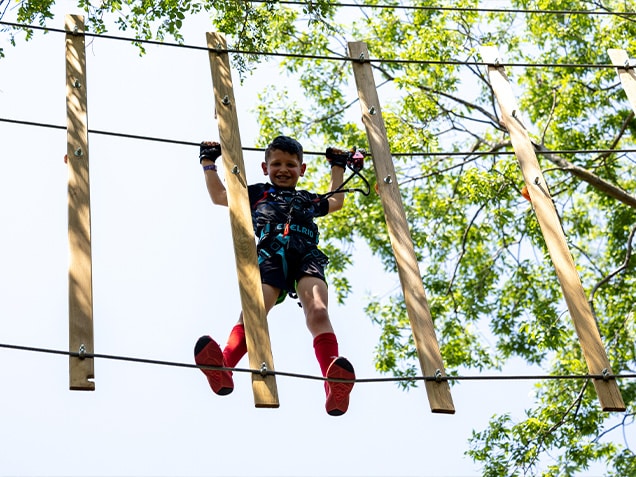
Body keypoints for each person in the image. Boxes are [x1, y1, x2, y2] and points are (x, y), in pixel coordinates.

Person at [194, 135, 356, 416]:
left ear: (302, 169)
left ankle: (334, 383)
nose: (283, 169)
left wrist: (338, 166)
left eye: (291, 164)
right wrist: (209, 162)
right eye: (277, 163)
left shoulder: (308, 199)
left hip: (306, 254)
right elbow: (220, 196)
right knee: (254, 311)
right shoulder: (257, 193)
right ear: (265, 167)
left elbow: (337, 201)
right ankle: (223, 367)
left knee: (318, 312)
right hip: (272, 253)